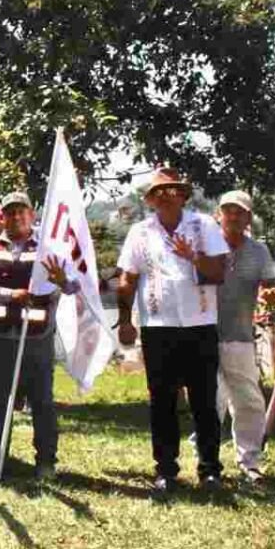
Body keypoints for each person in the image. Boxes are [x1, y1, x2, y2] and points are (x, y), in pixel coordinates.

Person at [116, 168, 228, 492]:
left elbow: (219, 273)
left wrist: (192, 256)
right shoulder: (140, 231)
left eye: (172, 190)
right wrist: (125, 320)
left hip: (200, 324)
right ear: (150, 200)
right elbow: (128, 278)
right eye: (158, 192)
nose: (166, 196)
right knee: (162, 401)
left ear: (183, 194)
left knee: (204, 400)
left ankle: (210, 471)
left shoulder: (203, 225)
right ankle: (165, 470)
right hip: (158, 326)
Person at [0, 192, 77, 479]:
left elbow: (74, 287)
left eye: (22, 212)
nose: (16, 217)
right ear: (1, 217)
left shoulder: (48, 249)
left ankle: (46, 463)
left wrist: (62, 280)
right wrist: (8, 295)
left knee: (42, 402)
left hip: (37, 339)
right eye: (10, 212)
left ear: (33, 215)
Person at [213, 190, 275, 483]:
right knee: (209, 401)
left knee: (249, 400)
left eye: (240, 211)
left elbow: (268, 287)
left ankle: (250, 462)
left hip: (240, 334)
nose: (234, 216)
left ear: (249, 218)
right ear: (219, 215)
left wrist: (268, 301)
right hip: (203, 334)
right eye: (228, 210)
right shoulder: (207, 245)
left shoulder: (259, 251)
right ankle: (208, 463)